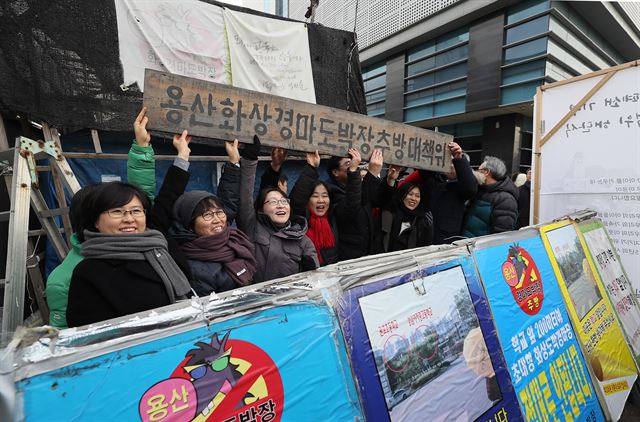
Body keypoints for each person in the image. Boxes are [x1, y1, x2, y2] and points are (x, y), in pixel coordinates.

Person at [66, 129, 193, 327]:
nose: (129, 219)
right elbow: (91, 340)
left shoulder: (157, 241)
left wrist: (183, 155)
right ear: (96, 222)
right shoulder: (89, 273)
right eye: (117, 212)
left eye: (136, 211)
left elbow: (169, 196)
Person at [168, 140, 257, 296]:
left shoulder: (233, 241)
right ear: (189, 224)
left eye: (219, 212)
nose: (217, 220)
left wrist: (234, 162)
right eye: (207, 215)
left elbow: (229, 200)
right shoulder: (190, 264)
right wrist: (182, 157)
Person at [234, 136, 318, 282]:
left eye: (284, 201)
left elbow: (314, 281)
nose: (280, 205)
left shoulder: (304, 241)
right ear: (261, 209)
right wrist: (250, 158)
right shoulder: (252, 227)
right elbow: (245, 195)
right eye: (273, 202)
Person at [289, 148, 362, 265]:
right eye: (315, 196)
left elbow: (351, 204)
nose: (321, 200)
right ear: (308, 200)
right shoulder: (301, 219)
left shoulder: (333, 218)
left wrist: (353, 171)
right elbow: (296, 201)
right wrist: (311, 167)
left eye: (324, 196)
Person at [400, 142, 477, 244]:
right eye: (448, 162)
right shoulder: (432, 179)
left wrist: (458, 158)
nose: (450, 166)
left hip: (445, 240)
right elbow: (423, 173)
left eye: (454, 163)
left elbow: (470, 189)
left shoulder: (462, 187)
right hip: (421, 235)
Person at [45, 184, 98, 328]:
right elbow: (63, 336)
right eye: (117, 211)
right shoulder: (63, 280)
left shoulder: (147, 250)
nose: (129, 218)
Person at [326, 149, 384, 260]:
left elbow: (375, 199)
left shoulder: (356, 187)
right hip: (348, 258)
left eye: (356, 163)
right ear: (335, 172)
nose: (355, 166)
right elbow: (352, 204)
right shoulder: (331, 192)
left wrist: (390, 179)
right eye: (348, 164)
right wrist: (364, 173)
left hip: (369, 255)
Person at [379, 165, 434, 251]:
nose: (413, 199)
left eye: (417, 196)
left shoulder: (423, 222)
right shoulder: (389, 213)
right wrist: (391, 179)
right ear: (402, 195)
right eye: (410, 194)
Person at [462, 156, 519, 238]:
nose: (476, 173)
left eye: (479, 170)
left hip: (480, 248)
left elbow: (501, 235)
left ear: (486, 172)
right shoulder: (481, 190)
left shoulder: (505, 199)